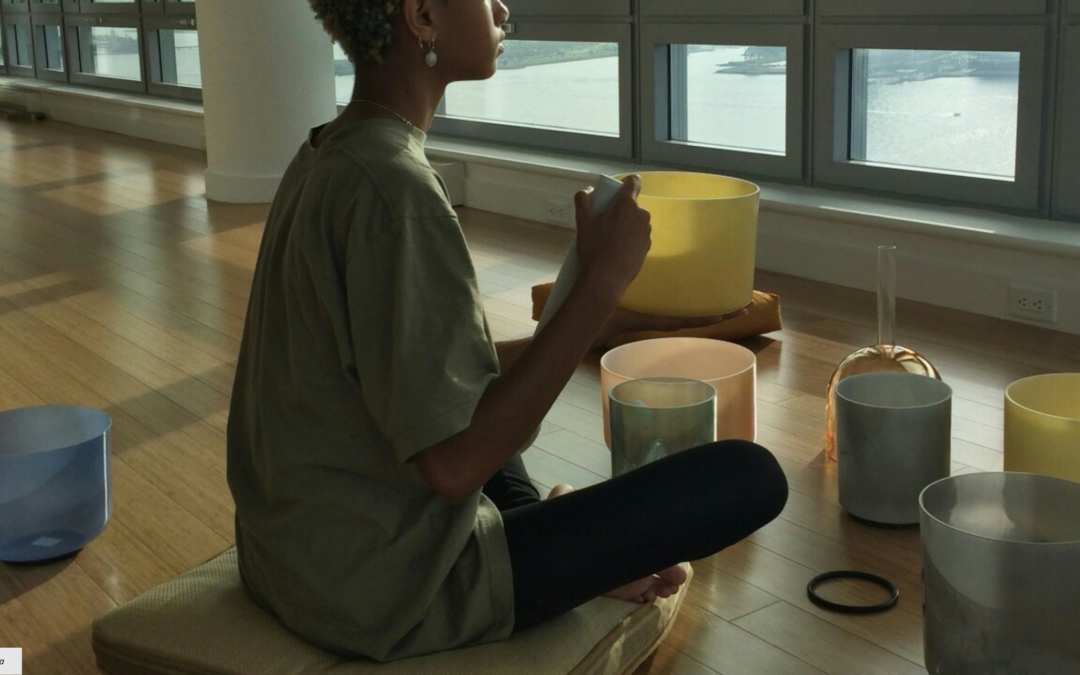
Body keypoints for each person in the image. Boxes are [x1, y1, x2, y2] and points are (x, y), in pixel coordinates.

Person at [226, 0, 789, 663]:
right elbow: (454, 467)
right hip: (382, 589)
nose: (501, 7)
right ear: (423, 16)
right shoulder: (394, 190)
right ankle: (550, 537)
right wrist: (601, 283)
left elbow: (420, 369)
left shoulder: (327, 151)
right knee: (750, 476)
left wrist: (596, 320)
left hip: (291, 556)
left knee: (487, 387)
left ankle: (543, 523)